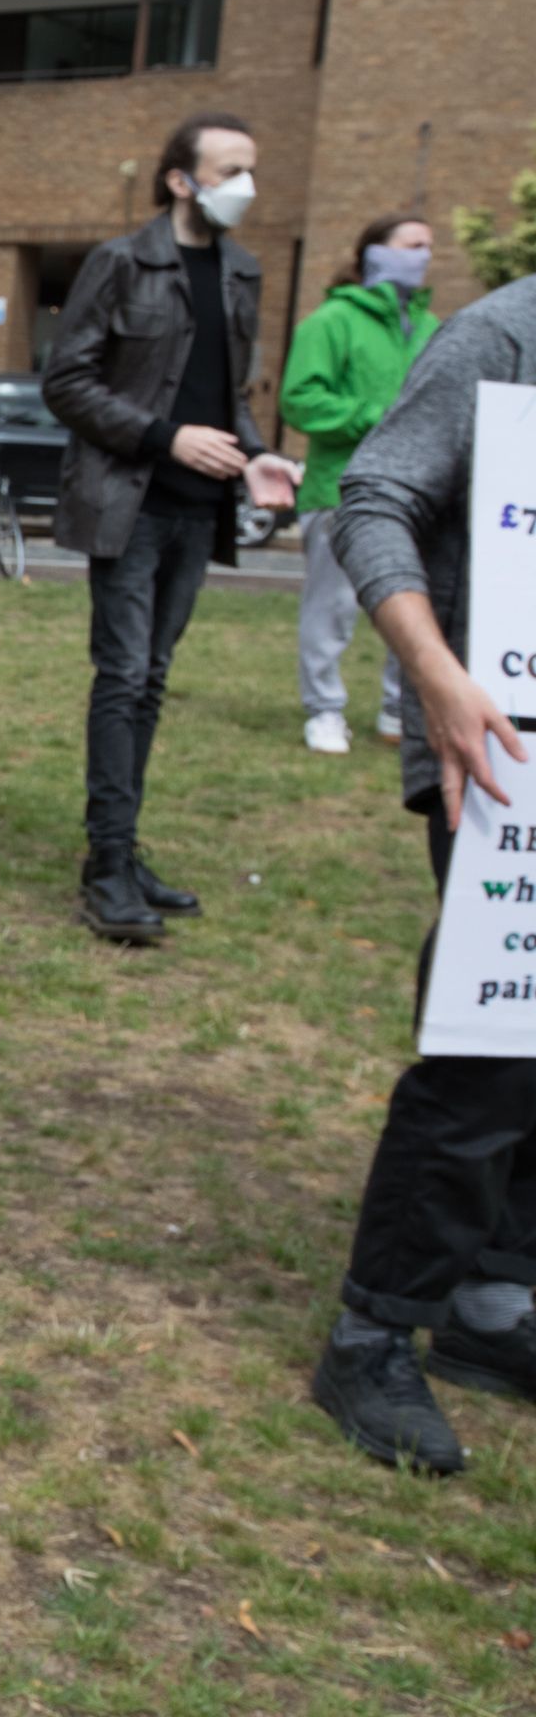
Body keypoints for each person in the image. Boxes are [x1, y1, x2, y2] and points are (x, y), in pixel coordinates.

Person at [307, 271, 536, 1474]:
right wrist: (437, 675)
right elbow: (375, 498)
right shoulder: (501, 335)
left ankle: (496, 1299)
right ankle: (374, 1329)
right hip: (492, 750)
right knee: (493, 1046)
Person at [40, 111, 299, 944]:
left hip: (199, 512)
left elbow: (229, 396)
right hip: (129, 504)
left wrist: (256, 455)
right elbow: (66, 381)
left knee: (149, 680)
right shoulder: (122, 262)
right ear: (181, 180)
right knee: (121, 678)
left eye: (251, 169)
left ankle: (122, 852)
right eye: (229, 171)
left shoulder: (241, 273)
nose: (246, 187)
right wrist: (164, 437)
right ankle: (107, 868)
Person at [280, 214, 437, 754]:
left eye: (429, 247)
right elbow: (300, 400)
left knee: (413, 605)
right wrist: (381, 415)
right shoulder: (331, 322)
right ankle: (324, 710)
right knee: (334, 608)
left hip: (418, 495)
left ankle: (399, 708)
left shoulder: (433, 328)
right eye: (412, 245)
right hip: (339, 490)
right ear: (374, 252)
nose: (424, 255)